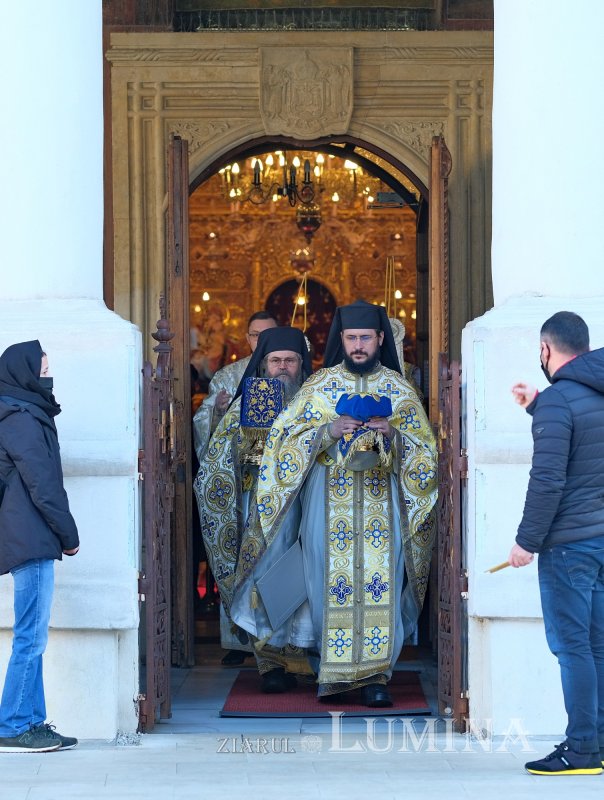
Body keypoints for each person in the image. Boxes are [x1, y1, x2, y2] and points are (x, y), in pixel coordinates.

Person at [255, 300, 438, 706]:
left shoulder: (400, 390)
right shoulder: (318, 387)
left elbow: (426, 454)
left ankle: (375, 677)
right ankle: (332, 672)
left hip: (381, 509)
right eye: (351, 338)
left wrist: (393, 435)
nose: (358, 346)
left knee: (380, 584)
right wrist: (326, 430)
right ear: (341, 340)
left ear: (378, 340)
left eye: (366, 339)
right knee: (326, 582)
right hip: (327, 507)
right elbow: (281, 442)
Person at [509, 311, 604, 776]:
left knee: (573, 648)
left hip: (569, 546)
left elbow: (548, 479)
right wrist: (537, 405)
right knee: (598, 647)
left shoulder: (558, 402)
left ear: (546, 350)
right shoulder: (580, 394)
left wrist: (526, 542)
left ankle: (582, 748)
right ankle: (599, 744)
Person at [194, 327, 312, 691]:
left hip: (307, 508)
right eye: (275, 361)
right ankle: (270, 663)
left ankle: (302, 655)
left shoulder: (315, 400)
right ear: (263, 365)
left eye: (289, 361)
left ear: (301, 365)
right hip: (259, 514)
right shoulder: (247, 401)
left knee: (307, 579)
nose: (282, 368)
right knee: (263, 578)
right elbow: (216, 457)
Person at [0, 341, 80, 753]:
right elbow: (43, 484)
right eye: (43, 368)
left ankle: (31, 721)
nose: (47, 375)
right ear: (25, 372)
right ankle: (14, 724)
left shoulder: (23, 411)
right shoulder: (22, 417)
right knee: (30, 636)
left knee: (33, 634)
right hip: (28, 535)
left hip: (28, 533)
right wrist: (69, 536)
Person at [193, 310, 277, 666]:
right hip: (240, 485)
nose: (262, 342)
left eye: (269, 335)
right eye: (256, 335)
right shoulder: (229, 374)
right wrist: (217, 410)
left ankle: (278, 645)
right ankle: (238, 640)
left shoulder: (289, 368)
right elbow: (203, 424)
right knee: (238, 554)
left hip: (279, 485)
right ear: (247, 337)